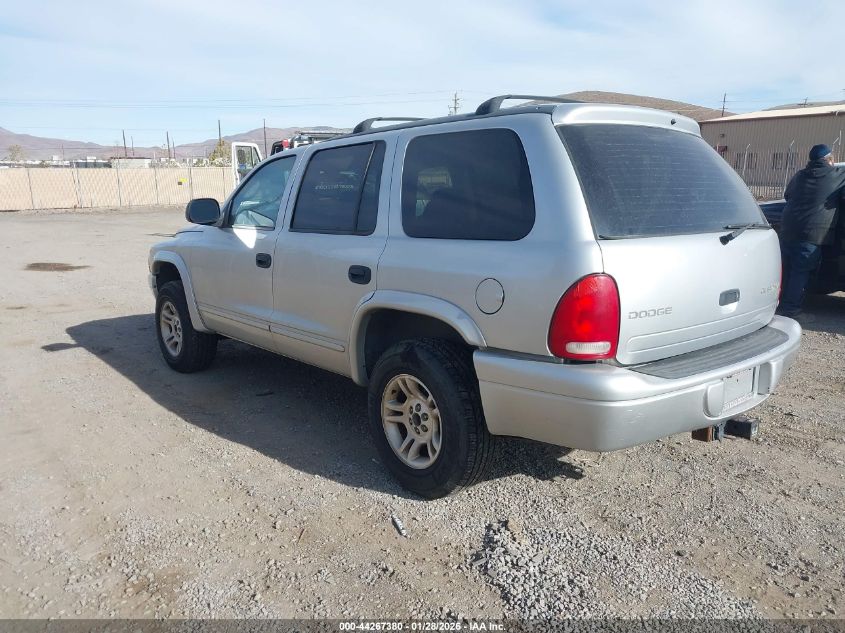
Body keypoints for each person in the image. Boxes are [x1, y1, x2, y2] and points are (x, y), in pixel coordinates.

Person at [777, 144, 845, 318]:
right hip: (811, 234)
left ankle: (781, 305)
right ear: (830, 159)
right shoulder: (837, 175)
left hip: (788, 229)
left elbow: (788, 195)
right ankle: (791, 310)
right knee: (800, 272)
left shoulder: (800, 175)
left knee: (788, 270)